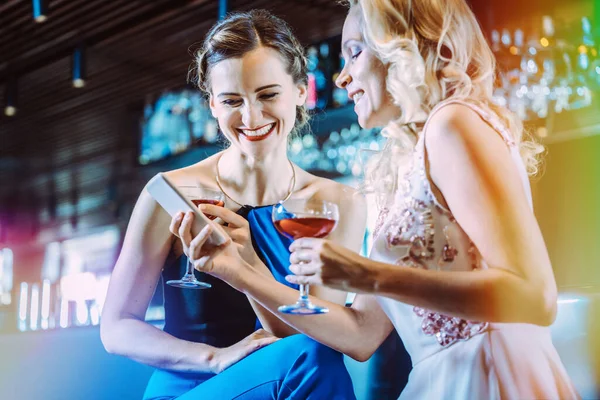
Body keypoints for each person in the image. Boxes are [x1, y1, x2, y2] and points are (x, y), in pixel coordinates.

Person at [177, 1, 580, 399]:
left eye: (354, 51)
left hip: (493, 374)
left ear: (403, 46)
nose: (341, 77)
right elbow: (360, 334)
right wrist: (241, 270)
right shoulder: (408, 161)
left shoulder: (453, 122)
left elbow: (534, 297)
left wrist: (365, 274)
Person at [100, 10, 364, 400]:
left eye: (268, 94)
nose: (251, 116)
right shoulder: (171, 192)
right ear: (212, 106)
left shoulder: (336, 204)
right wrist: (215, 358)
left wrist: (247, 266)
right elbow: (116, 326)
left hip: (288, 379)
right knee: (313, 360)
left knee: (315, 353)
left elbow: (314, 336)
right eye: (231, 100)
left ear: (299, 89)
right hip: (189, 387)